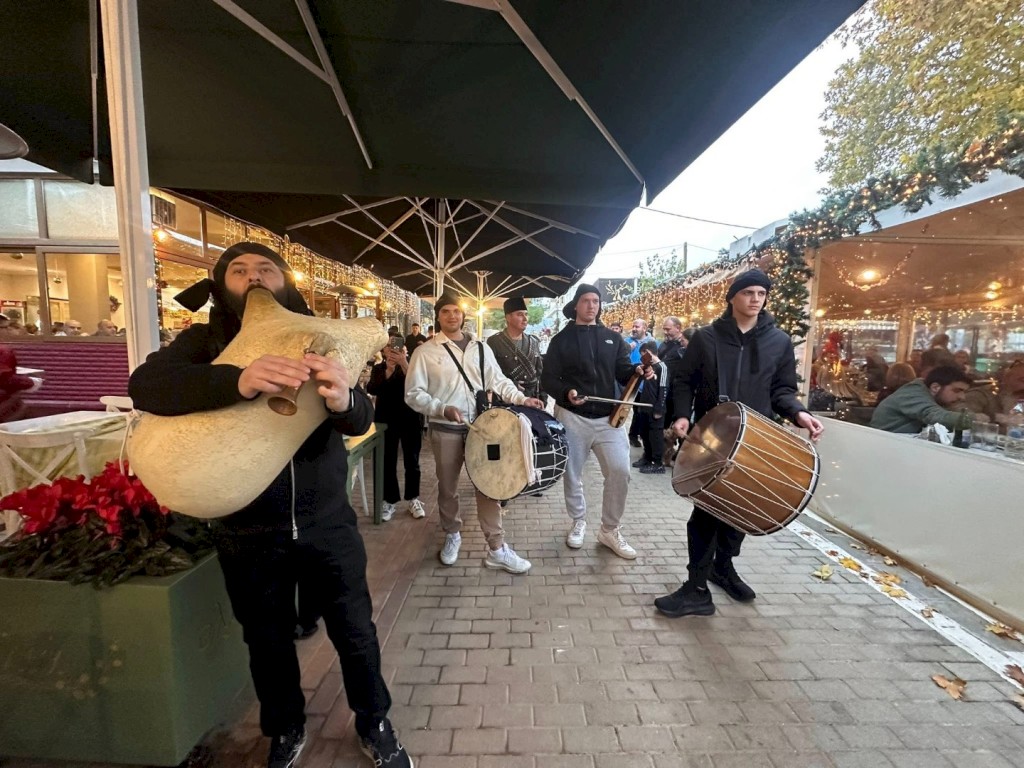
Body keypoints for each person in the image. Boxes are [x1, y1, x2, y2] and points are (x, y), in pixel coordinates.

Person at [128, 242, 410, 768]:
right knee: (267, 639)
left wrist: (345, 400)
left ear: (286, 281)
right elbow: (145, 385)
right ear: (221, 284)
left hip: (326, 519)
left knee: (355, 629)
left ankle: (374, 720)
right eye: (238, 270)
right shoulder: (205, 341)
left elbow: (360, 419)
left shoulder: (319, 334)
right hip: (247, 528)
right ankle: (285, 728)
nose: (253, 277)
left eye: (265, 268)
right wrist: (235, 379)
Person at [656, 269, 824, 618]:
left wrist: (799, 414)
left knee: (741, 510)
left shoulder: (778, 341)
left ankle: (723, 567)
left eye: (761, 293)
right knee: (706, 512)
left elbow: (782, 390)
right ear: (732, 297)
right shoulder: (706, 338)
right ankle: (697, 587)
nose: (755, 299)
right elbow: (684, 381)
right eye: (748, 292)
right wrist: (682, 415)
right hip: (712, 438)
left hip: (757, 438)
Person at [405, 293, 544, 573]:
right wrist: (441, 408)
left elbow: (498, 380)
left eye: (456, 311)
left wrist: (521, 398)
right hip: (445, 429)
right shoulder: (425, 352)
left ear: (463, 314)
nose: (452, 316)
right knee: (448, 488)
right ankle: (452, 533)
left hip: (481, 429)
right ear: (438, 316)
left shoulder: (480, 348)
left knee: (489, 485)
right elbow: (413, 394)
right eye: (446, 311)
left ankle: (497, 547)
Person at [540, 284, 643, 560]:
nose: (591, 305)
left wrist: (638, 370)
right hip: (572, 416)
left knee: (620, 470)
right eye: (586, 300)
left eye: (596, 301)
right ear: (576, 305)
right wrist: (566, 393)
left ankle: (609, 529)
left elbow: (623, 371)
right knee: (572, 473)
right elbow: (548, 378)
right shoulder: (561, 340)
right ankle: (578, 521)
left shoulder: (612, 338)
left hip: (609, 418)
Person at [367, 336, 425, 522]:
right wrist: (389, 370)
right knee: (387, 460)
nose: (392, 350)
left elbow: (419, 384)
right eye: (388, 347)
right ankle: (389, 500)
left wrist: (404, 364)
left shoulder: (412, 366)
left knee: (412, 460)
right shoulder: (379, 369)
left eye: (396, 347)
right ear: (383, 351)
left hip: (411, 418)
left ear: (404, 349)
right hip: (386, 420)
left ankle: (413, 498)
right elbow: (372, 389)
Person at [870, 365, 979, 434]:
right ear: (935, 387)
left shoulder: (936, 398)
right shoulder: (913, 393)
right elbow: (935, 416)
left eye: (964, 392)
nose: (962, 397)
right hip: (883, 448)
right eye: (957, 390)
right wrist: (976, 419)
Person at [486, 297, 547, 403]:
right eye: (520, 314)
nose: (525, 319)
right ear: (508, 318)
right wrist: (512, 385)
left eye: (526, 314)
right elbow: (490, 373)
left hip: (532, 399)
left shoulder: (534, 341)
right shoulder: (494, 342)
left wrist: (543, 398)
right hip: (506, 400)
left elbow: (540, 374)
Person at [631, 340, 669, 474]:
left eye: (643, 355)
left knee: (655, 435)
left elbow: (663, 388)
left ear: (648, 353)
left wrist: (659, 408)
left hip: (655, 408)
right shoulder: (649, 368)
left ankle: (657, 463)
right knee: (645, 433)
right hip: (645, 406)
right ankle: (647, 457)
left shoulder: (662, 367)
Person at [626, 319, 655, 447]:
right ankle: (630, 435)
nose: (634, 329)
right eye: (633, 326)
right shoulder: (627, 342)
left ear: (644, 328)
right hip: (629, 382)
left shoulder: (653, 343)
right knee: (626, 409)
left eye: (637, 326)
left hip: (645, 384)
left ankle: (635, 435)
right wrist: (628, 348)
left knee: (640, 411)